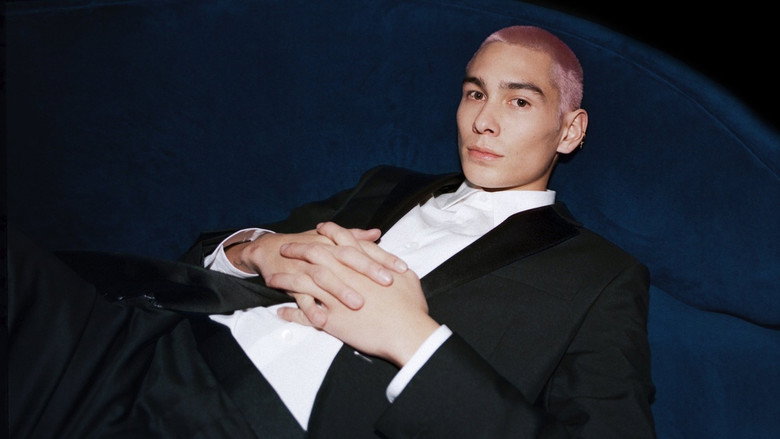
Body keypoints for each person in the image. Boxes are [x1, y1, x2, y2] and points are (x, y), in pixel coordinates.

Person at [8, 25, 655, 438]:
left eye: (519, 100)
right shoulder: (387, 184)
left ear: (569, 130)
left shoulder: (600, 276)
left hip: (252, 422)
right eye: (473, 92)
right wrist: (258, 250)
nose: (484, 120)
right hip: (135, 341)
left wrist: (415, 341)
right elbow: (204, 254)